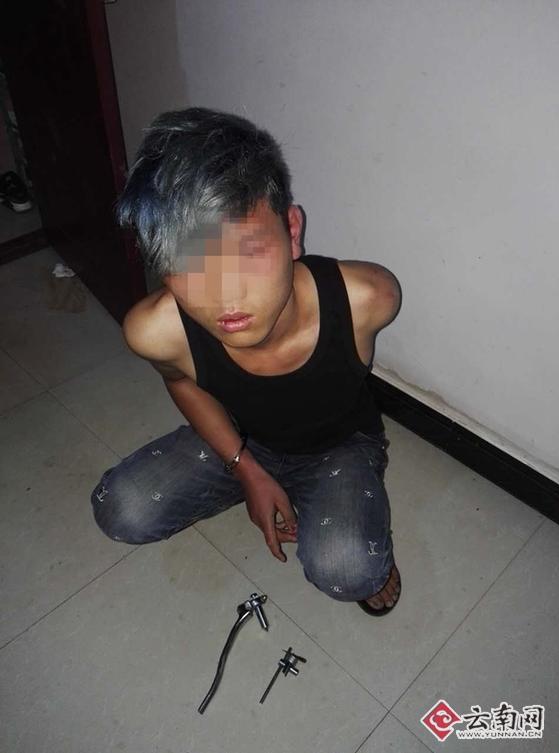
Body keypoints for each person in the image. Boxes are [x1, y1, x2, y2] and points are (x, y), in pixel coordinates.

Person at [91, 107, 402, 615]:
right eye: (189, 264)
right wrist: (245, 468)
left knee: (350, 571)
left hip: (341, 444)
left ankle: (343, 515)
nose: (225, 295)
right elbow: (182, 383)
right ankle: (259, 480)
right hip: (239, 436)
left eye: (248, 252)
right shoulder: (155, 331)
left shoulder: (367, 298)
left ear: (292, 231)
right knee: (119, 509)